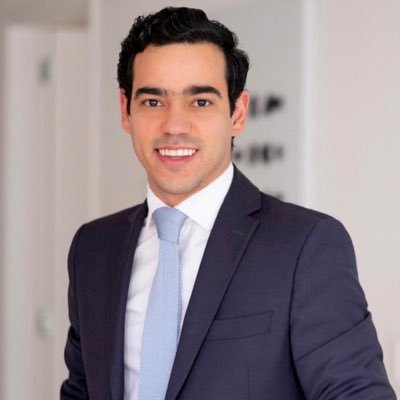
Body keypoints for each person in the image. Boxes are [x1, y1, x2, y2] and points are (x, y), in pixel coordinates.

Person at [60, 6, 396, 400]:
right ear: (125, 110)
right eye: (153, 102)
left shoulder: (305, 247)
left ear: (237, 113)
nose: (174, 125)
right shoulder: (93, 249)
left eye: (200, 102)